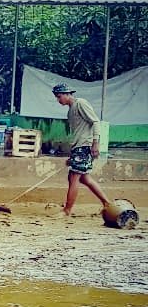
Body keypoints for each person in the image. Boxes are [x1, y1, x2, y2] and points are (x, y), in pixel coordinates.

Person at [52, 83, 112, 217]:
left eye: (59, 96)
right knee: (84, 179)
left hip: (85, 146)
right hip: (79, 147)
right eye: (57, 97)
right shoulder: (70, 110)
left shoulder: (81, 103)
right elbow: (79, 132)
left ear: (67, 94)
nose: (58, 100)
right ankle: (107, 203)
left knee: (74, 177)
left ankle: (67, 210)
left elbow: (95, 122)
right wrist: (73, 155)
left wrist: (95, 143)